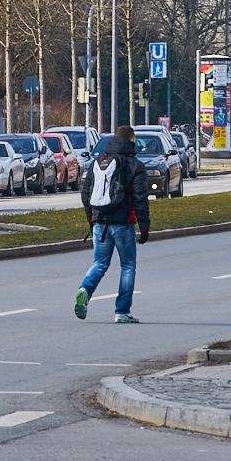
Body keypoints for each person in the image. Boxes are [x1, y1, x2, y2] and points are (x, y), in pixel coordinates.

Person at [74, 125, 150, 324]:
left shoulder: (98, 162)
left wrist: (92, 219)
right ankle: (122, 311)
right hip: (123, 224)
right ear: (131, 141)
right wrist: (144, 227)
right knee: (128, 265)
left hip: (100, 222)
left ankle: (84, 290)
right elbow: (140, 199)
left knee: (99, 264)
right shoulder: (135, 165)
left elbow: (86, 194)